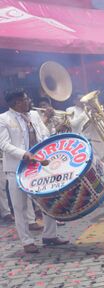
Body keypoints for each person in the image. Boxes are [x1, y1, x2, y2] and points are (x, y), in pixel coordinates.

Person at [0, 89, 69, 253]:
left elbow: (43, 135)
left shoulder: (35, 116)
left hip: (38, 166)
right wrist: (25, 154)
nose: (29, 101)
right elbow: (4, 144)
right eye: (25, 99)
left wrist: (53, 137)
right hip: (16, 169)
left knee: (47, 200)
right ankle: (27, 241)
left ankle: (50, 235)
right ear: (16, 103)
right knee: (20, 207)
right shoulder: (3, 119)